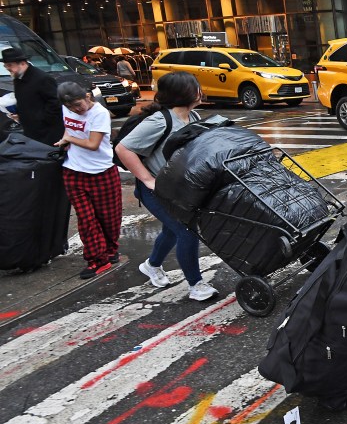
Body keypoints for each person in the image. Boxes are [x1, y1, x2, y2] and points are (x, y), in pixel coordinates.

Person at [114, 72, 218, 301]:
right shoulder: (160, 120)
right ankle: (196, 285)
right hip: (156, 190)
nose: (200, 91)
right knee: (186, 231)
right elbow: (123, 149)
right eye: (196, 87)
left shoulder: (193, 116)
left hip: (179, 188)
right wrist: (148, 180)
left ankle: (152, 265)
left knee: (171, 231)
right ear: (185, 93)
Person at [54, 82, 122, 280]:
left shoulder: (99, 113)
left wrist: (70, 139)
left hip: (101, 171)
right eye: (70, 107)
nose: (75, 110)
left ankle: (110, 250)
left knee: (109, 218)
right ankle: (97, 259)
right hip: (73, 170)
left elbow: (93, 144)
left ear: (87, 96)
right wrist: (65, 141)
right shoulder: (65, 107)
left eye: (77, 105)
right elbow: (69, 130)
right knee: (86, 219)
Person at [2, 45, 63, 145]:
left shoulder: (42, 78)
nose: (7, 68)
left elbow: (55, 104)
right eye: (6, 66)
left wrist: (41, 120)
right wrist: (18, 114)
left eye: (10, 65)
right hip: (30, 131)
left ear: (22, 63)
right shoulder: (18, 78)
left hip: (46, 133)